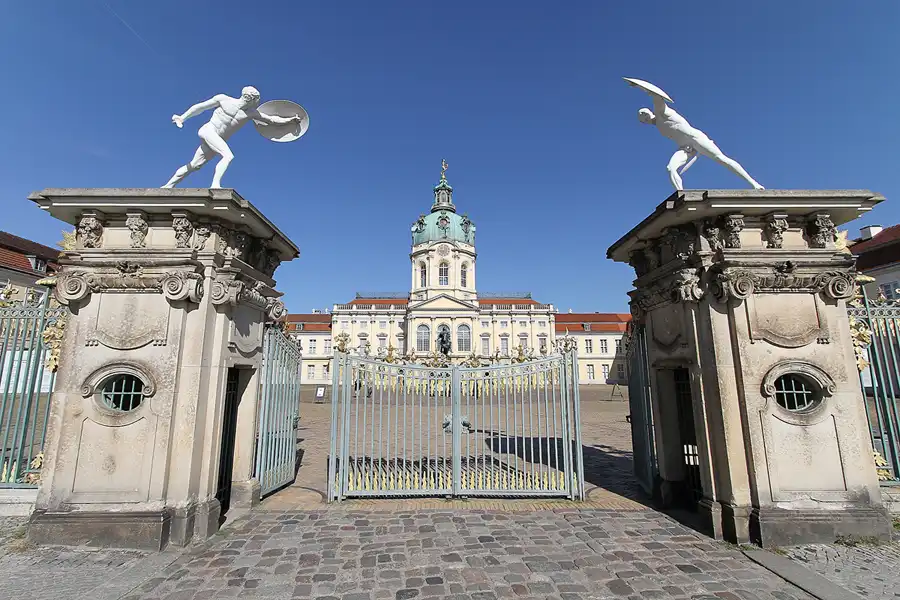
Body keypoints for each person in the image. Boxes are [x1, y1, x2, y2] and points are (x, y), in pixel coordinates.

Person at [629, 79, 764, 190]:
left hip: (695, 138)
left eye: (644, 114)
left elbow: (657, 96)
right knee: (670, 168)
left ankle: (754, 183)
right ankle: (681, 195)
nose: (644, 117)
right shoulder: (659, 127)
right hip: (685, 147)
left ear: (649, 113)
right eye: (642, 118)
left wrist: (640, 86)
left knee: (721, 158)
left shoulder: (662, 113)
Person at [163, 86, 303, 188]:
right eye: (256, 100)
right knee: (228, 156)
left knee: (195, 165)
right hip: (208, 130)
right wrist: (182, 117)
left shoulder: (251, 113)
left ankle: (168, 186)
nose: (255, 102)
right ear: (251, 98)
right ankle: (215, 185)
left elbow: (272, 119)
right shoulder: (223, 99)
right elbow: (201, 107)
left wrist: (290, 120)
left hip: (216, 139)